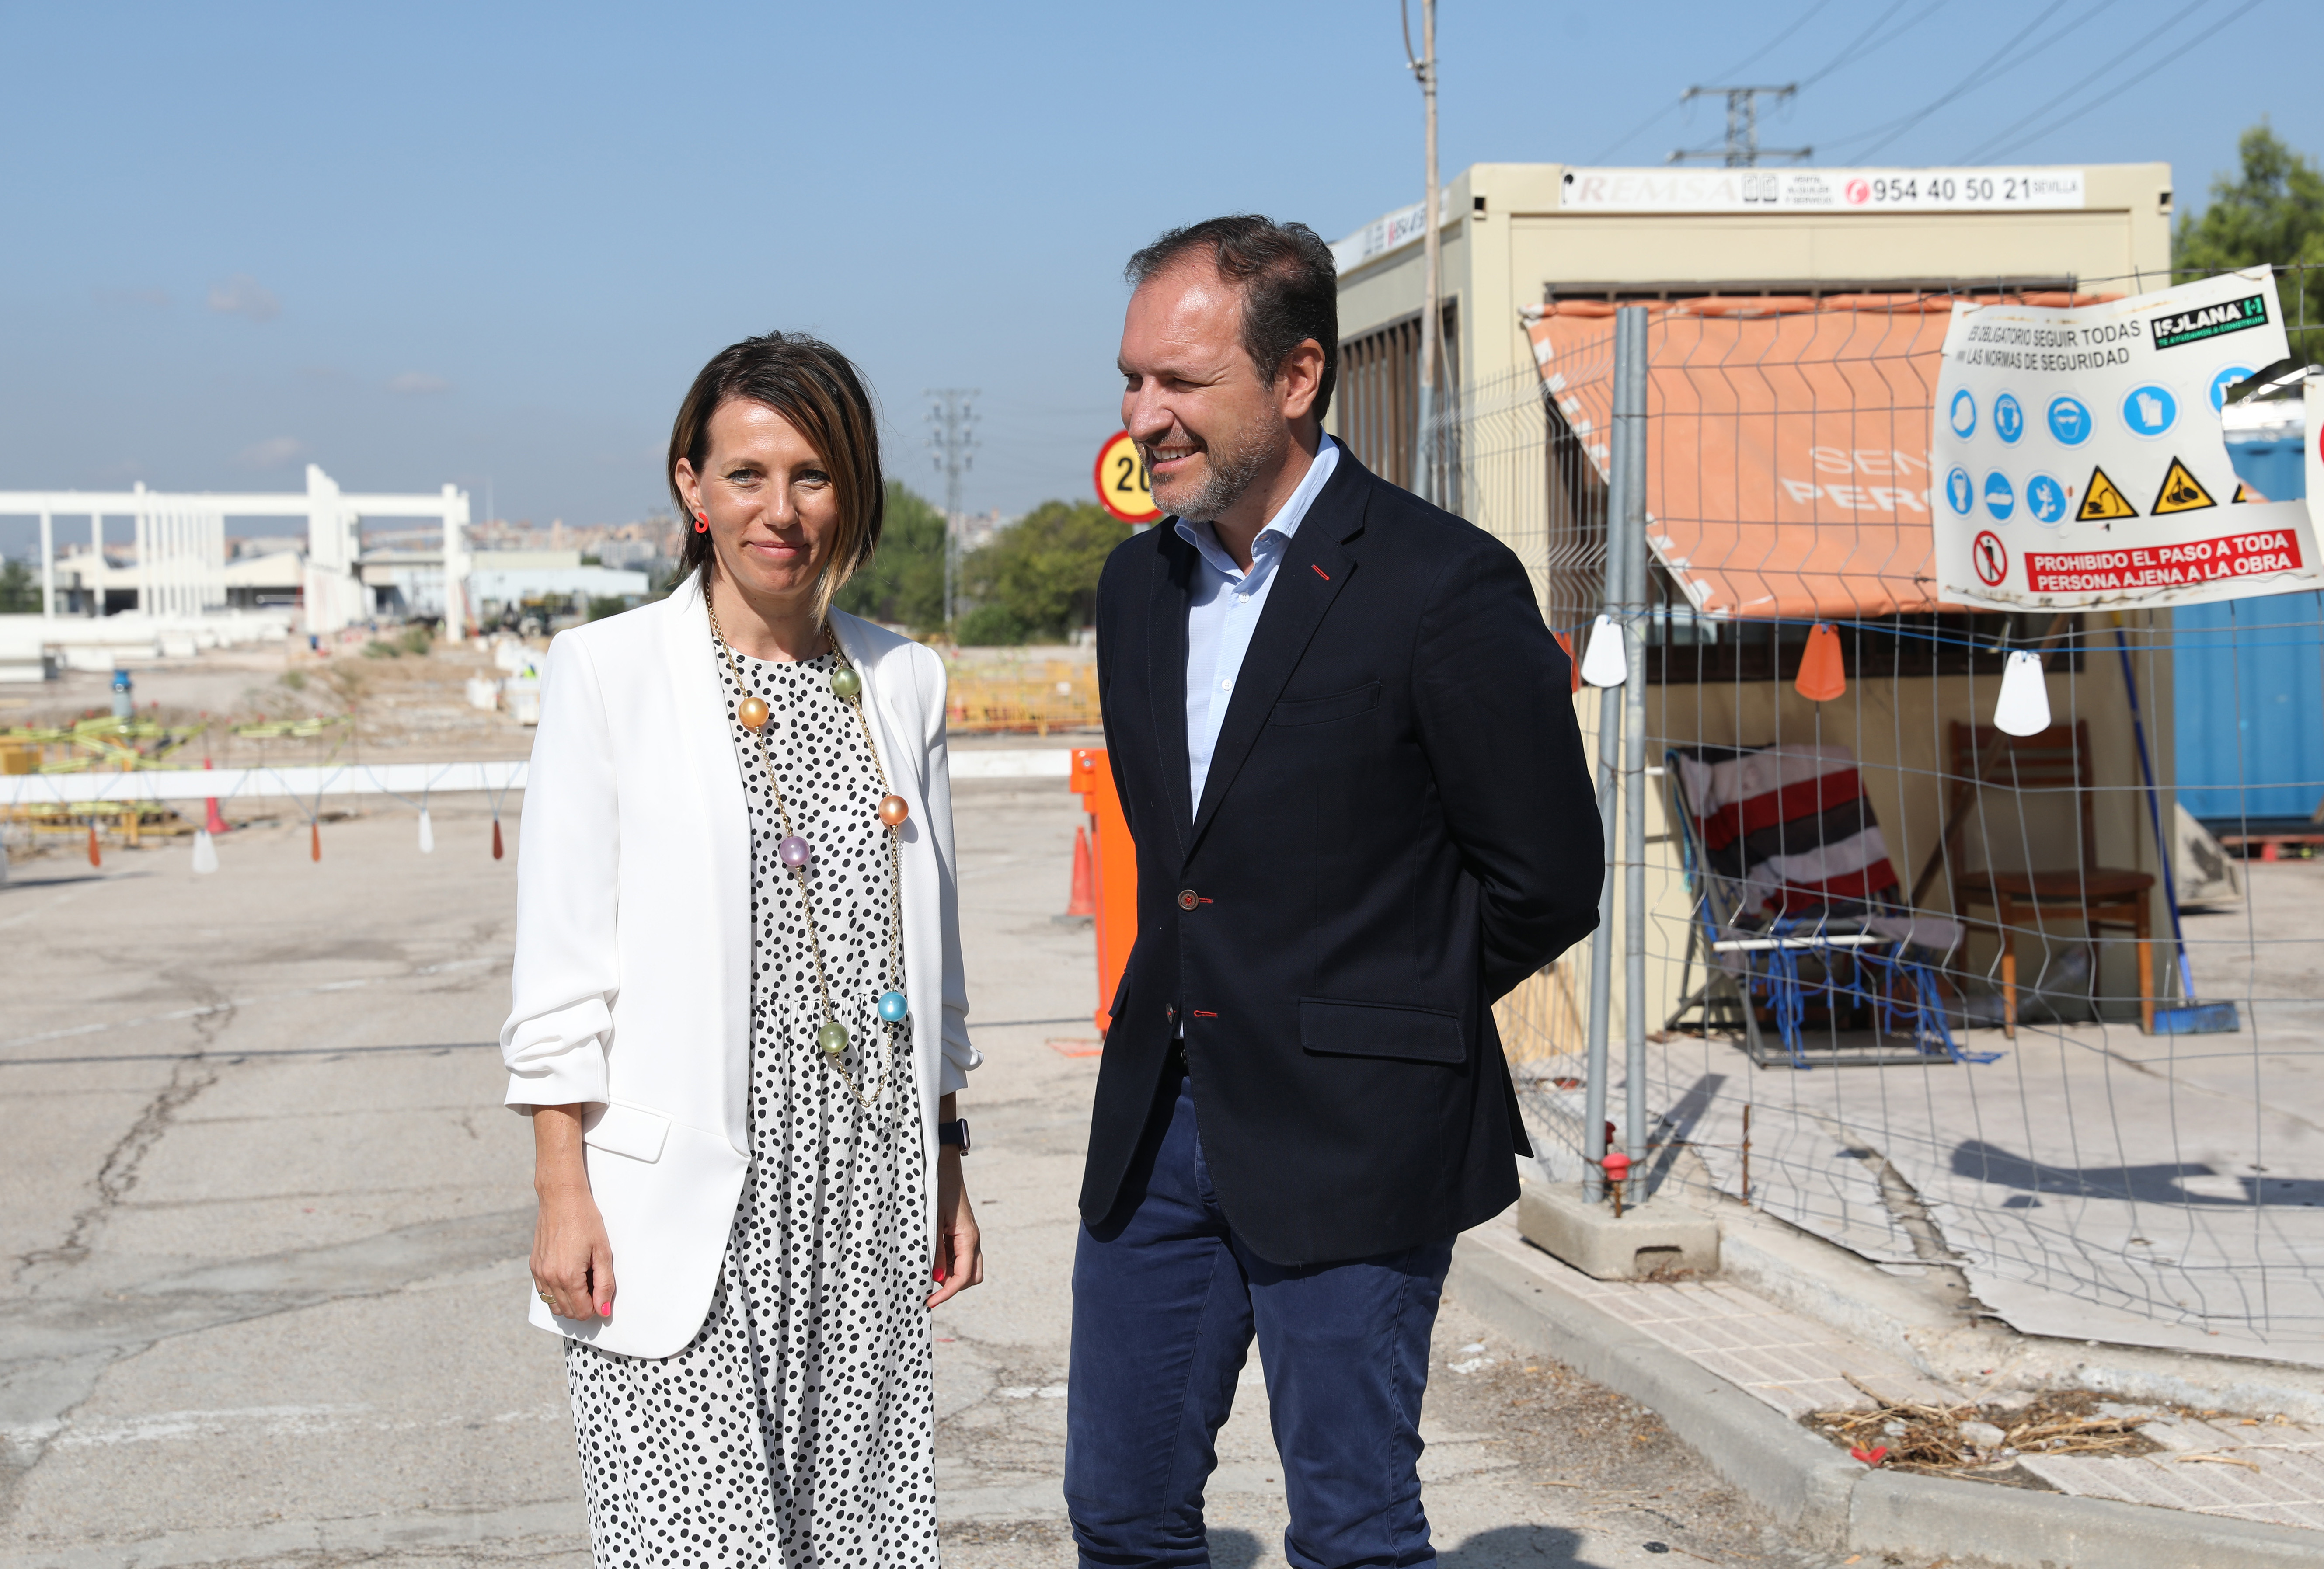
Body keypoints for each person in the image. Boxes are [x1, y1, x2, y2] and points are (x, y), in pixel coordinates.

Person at [1066, 216, 1601, 1567]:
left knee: (1352, 1534)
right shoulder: (1136, 589)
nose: (1143, 416)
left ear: (1297, 377)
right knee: (1120, 1519)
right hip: (1159, 1123)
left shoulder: (1440, 583)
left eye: (1182, 382)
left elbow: (1546, 878)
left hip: (1355, 1131)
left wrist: (1371, 1014)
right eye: (1132, 380)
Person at [502, 331, 983, 1567]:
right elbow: (562, 965)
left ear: (853, 489)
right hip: (682, 1207)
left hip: (866, 1191)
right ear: (692, 487)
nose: (782, 511)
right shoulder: (608, 672)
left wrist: (946, 1162)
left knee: (861, 1542)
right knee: (694, 1544)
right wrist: (562, 1193)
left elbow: (932, 951)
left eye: (813, 476)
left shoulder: (903, 680)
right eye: (747, 475)